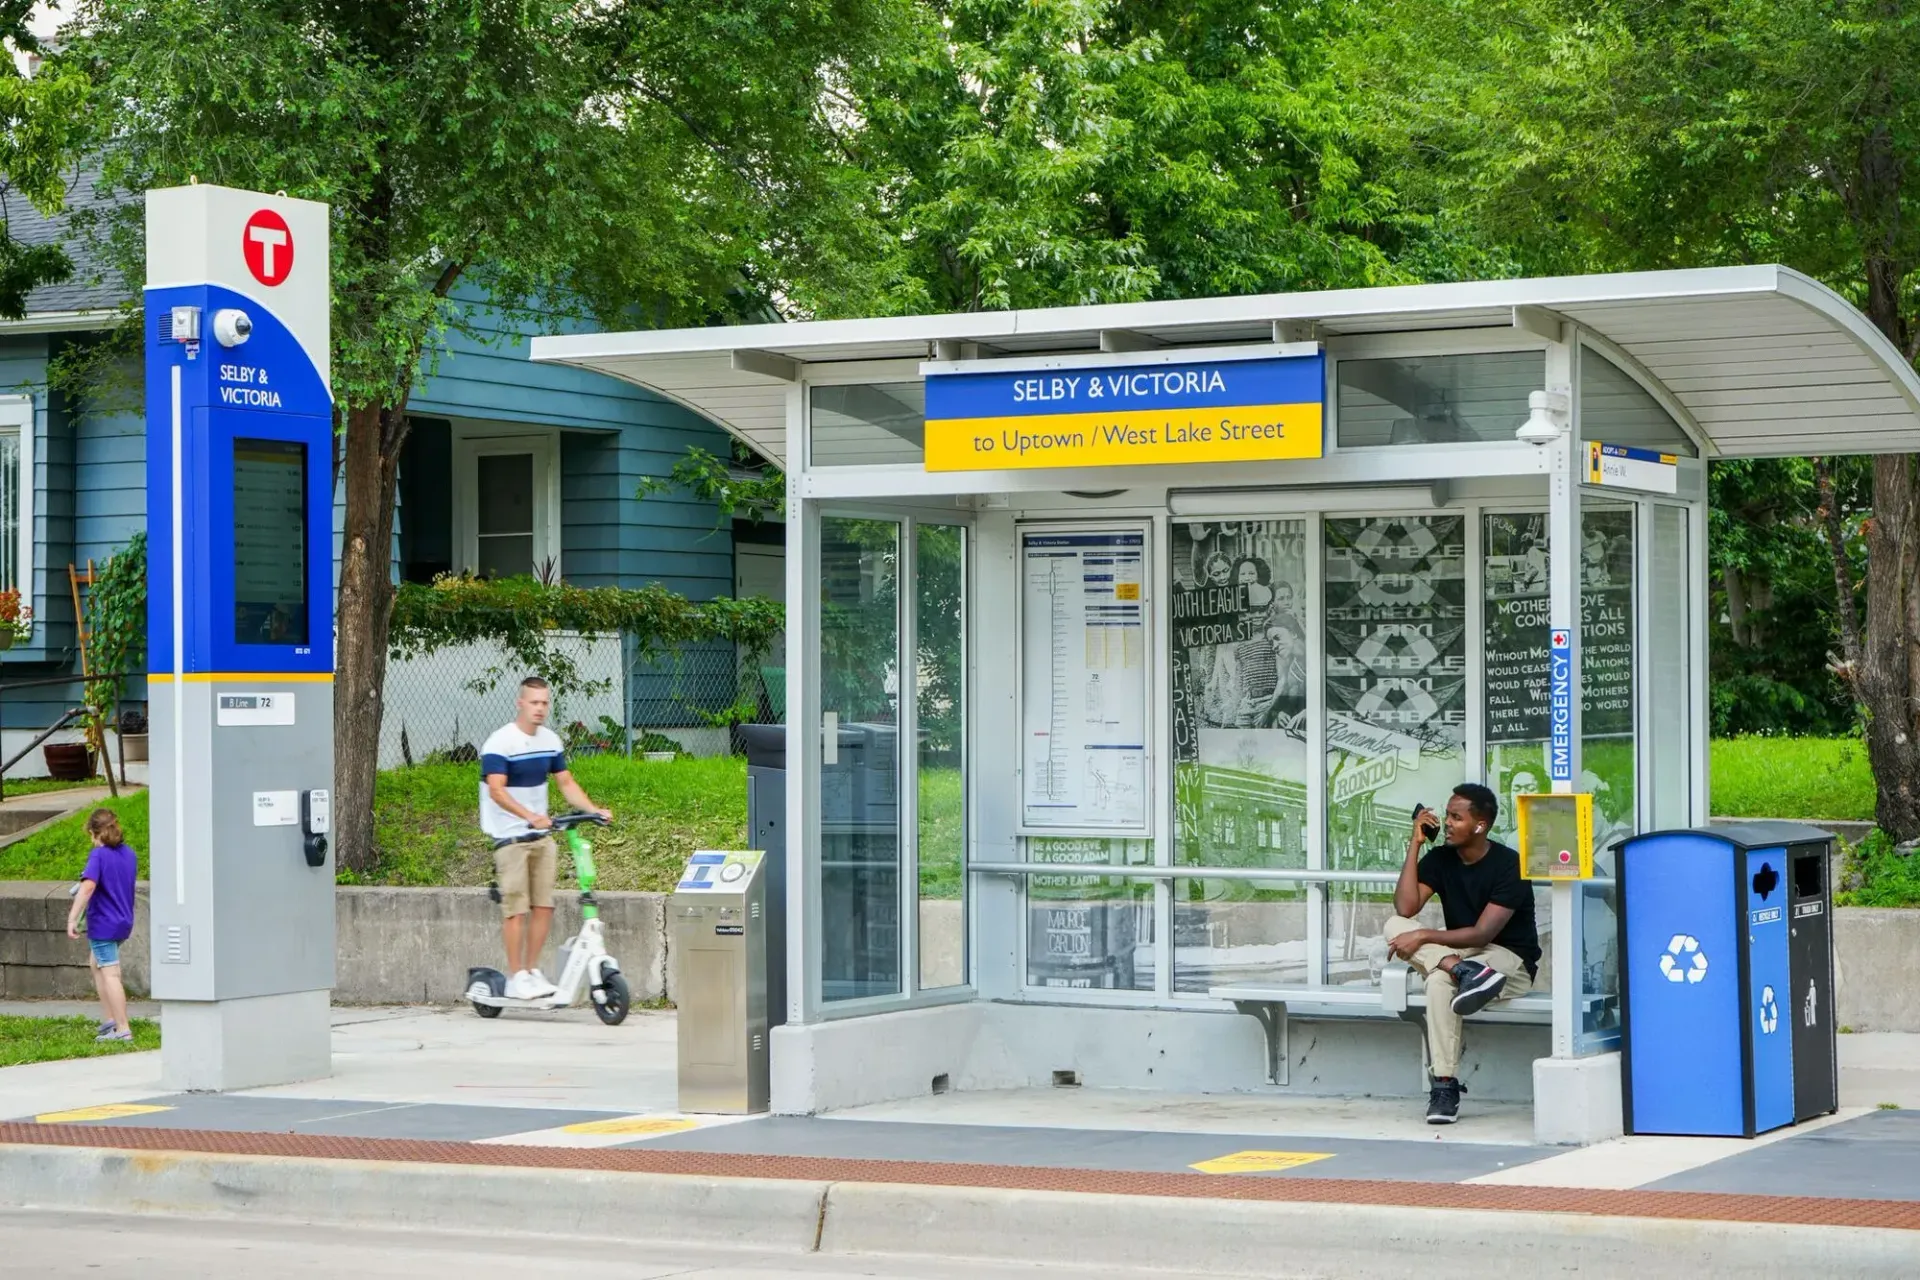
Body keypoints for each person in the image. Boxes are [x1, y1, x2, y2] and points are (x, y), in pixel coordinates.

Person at [1384, 783, 1540, 1125]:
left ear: (1480, 825)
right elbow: (1406, 907)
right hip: (1463, 955)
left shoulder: (1508, 865)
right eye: (1448, 815)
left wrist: (1424, 934)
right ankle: (1445, 1082)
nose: (1448, 822)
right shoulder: (1441, 859)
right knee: (1395, 926)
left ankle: (1443, 1085)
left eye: (1456, 817)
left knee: (1438, 978)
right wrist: (1416, 843)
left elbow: (1484, 933)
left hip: (1508, 959)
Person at [480, 676, 612, 999]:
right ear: (520, 703)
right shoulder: (500, 743)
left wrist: (594, 809)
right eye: (534, 702)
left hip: (542, 835)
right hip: (509, 837)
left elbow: (565, 783)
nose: (540, 709)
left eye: (544, 703)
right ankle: (515, 977)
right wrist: (529, 816)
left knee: (544, 906)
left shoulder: (550, 741)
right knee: (516, 909)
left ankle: (532, 971)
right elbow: (496, 791)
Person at [66, 809, 139, 1043]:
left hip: (103, 923)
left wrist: (73, 918)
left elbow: (88, 887)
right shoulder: (129, 854)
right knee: (95, 963)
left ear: (94, 833)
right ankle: (110, 1019)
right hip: (123, 921)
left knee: (110, 973)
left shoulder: (98, 855)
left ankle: (122, 1028)